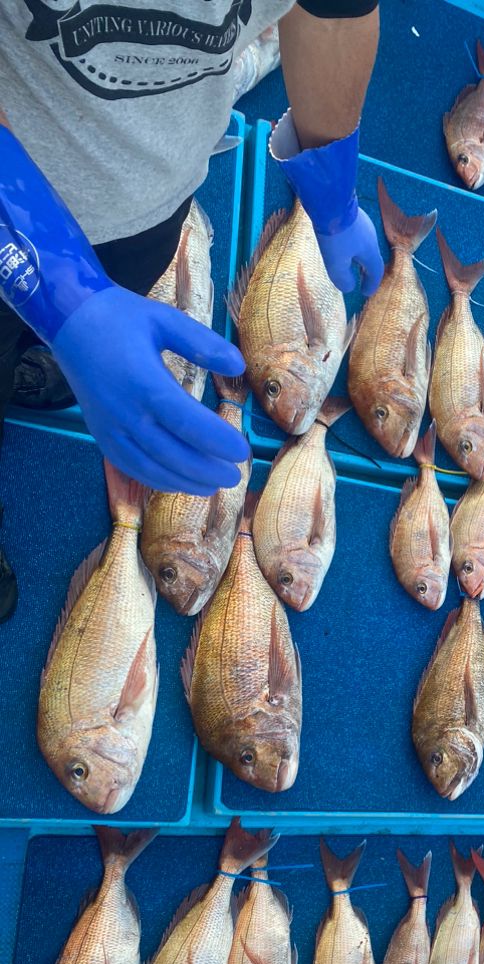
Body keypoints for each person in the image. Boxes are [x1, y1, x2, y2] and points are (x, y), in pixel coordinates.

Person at [0, 0, 386, 623]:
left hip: (153, 207)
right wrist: (62, 293)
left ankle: (36, 352)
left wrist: (333, 184)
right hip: (12, 201)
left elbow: (333, 12)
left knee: (66, 330)